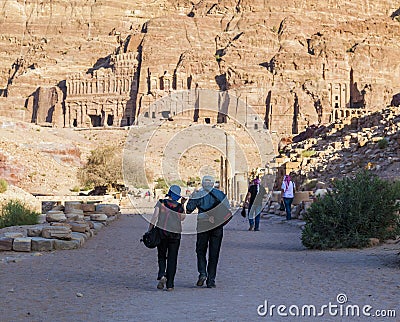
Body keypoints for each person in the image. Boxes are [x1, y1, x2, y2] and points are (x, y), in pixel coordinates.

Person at [186, 175, 230, 288]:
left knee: (200, 250)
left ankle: (202, 273)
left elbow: (189, 209)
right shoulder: (220, 194)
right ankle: (211, 280)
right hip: (217, 226)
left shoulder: (198, 194)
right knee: (214, 253)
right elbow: (227, 210)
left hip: (203, 224)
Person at [148, 185, 186, 291]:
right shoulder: (178, 206)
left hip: (162, 233)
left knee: (161, 255)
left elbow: (155, 216)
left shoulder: (161, 203)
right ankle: (170, 285)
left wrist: (150, 230)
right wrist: (183, 205)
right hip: (175, 235)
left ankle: (162, 274)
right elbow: (183, 218)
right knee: (172, 259)